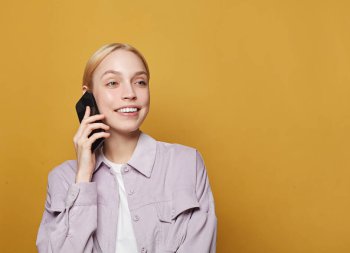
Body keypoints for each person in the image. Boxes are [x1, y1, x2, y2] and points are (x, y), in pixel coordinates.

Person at [36, 43, 217, 253]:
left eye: (140, 82)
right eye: (113, 83)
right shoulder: (63, 179)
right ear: (89, 96)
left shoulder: (187, 163)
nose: (130, 93)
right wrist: (84, 177)